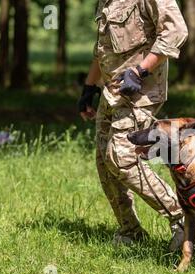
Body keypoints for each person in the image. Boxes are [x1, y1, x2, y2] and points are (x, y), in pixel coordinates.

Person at [77, 0, 188, 251]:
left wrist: (140, 71)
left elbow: (177, 31)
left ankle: (182, 220)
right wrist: (89, 86)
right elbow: (103, 48)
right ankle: (131, 231)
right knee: (105, 160)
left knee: (123, 158)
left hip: (141, 92)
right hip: (112, 92)